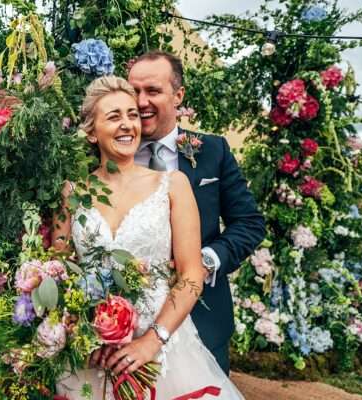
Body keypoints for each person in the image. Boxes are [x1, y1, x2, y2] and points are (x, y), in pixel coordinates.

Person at [52, 76, 244, 399]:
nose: (128, 125)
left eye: (132, 115)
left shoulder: (173, 185)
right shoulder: (72, 193)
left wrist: (152, 340)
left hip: (165, 353)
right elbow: (59, 273)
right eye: (114, 117)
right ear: (90, 131)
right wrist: (82, 334)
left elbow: (192, 273)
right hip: (94, 358)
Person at [128, 51, 266, 374]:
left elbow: (249, 223)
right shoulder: (113, 153)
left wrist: (206, 261)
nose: (141, 101)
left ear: (178, 96)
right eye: (134, 90)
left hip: (203, 322)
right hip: (130, 325)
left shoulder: (213, 152)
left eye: (153, 91)